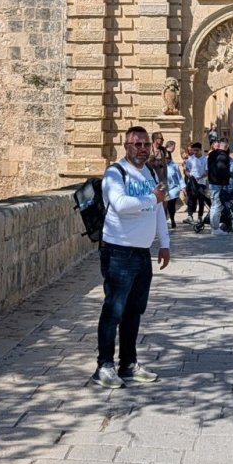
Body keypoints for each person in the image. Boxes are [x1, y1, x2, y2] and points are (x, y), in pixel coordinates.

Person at [93, 126, 172, 388]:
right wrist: (152, 197)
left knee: (134, 312)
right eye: (136, 144)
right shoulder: (115, 173)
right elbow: (120, 205)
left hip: (141, 253)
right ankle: (104, 366)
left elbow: (159, 209)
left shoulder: (149, 172)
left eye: (145, 144)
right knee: (113, 310)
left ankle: (128, 363)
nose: (141, 149)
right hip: (118, 251)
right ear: (126, 146)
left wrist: (165, 243)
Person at [205, 137, 233, 234]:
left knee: (214, 205)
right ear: (226, 146)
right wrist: (227, 175)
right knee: (217, 205)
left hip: (212, 182)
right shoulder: (222, 155)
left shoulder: (211, 154)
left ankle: (214, 227)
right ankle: (215, 229)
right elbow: (221, 168)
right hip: (218, 183)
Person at [182, 143, 208, 227]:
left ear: (200, 149)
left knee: (201, 200)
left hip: (201, 183)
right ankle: (190, 216)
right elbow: (186, 170)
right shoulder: (190, 159)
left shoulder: (205, 159)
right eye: (194, 150)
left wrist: (200, 177)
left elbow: (207, 172)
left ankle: (200, 216)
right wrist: (189, 175)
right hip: (192, 182)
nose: (195, 152)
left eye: (197, 150)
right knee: (191, 199)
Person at [160, 144, 185, 230]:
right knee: (164, 206)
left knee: (171, 205)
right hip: (163, 188)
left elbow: (179, 177)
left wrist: (183, 187)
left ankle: (172, 218)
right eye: (165, 158)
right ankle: (163, 221)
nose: (166, 159)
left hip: (173, 188)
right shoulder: (159, 166)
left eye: (168, 158)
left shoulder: (174, 165)